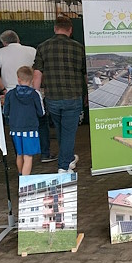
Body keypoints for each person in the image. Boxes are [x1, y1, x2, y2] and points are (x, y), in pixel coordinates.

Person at [33, 16, 86, 174]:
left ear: (55, 28)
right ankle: (63, 167)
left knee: (61, 130)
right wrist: (88, 93)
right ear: (70, 30)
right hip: (73, 96)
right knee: (69, 132)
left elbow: (37, 73)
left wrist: (36, 96)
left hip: (52, 97)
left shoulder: (43, 47)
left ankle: (68, 158)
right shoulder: (78, 47)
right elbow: (85, 73)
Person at [0, 30, 55, 164]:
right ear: (18, 39)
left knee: (14, 123)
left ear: (4, 42)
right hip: (33, 91)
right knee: (41, 123)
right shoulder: (32, 50)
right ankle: (44, 153)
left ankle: (19, 154)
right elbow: (39, 69)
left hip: (11, 92)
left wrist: (3, 88)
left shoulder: (0, 53)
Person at [3, 66, 45, 176]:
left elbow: (5, 112)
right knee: (28, 156)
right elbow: (41, 112)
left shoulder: (10, 94)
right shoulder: (35, 94)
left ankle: (20, 175)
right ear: (31, 80)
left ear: (18, 79)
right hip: (30, 129)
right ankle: (24, 183)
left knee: (19, 155)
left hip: (15, 129)